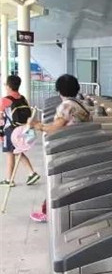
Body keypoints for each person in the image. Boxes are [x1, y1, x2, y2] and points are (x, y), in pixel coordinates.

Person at [30, 74, 91, 222]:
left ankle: (49, 213)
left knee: (59, 183)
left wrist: (38, 126)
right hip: (83, 147)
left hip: (69, 149)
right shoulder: (80, 104)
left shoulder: (66, 106)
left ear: (59, 90)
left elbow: (55, 128)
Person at [0, 75, 39, 186]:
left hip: (10, 130)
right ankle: (29, 174)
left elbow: (0, 117)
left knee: (11, 153)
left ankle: (11, 179)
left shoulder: (5, 100)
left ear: (8, 86)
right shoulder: (22, 98)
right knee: (17, 152)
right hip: (21, 130)